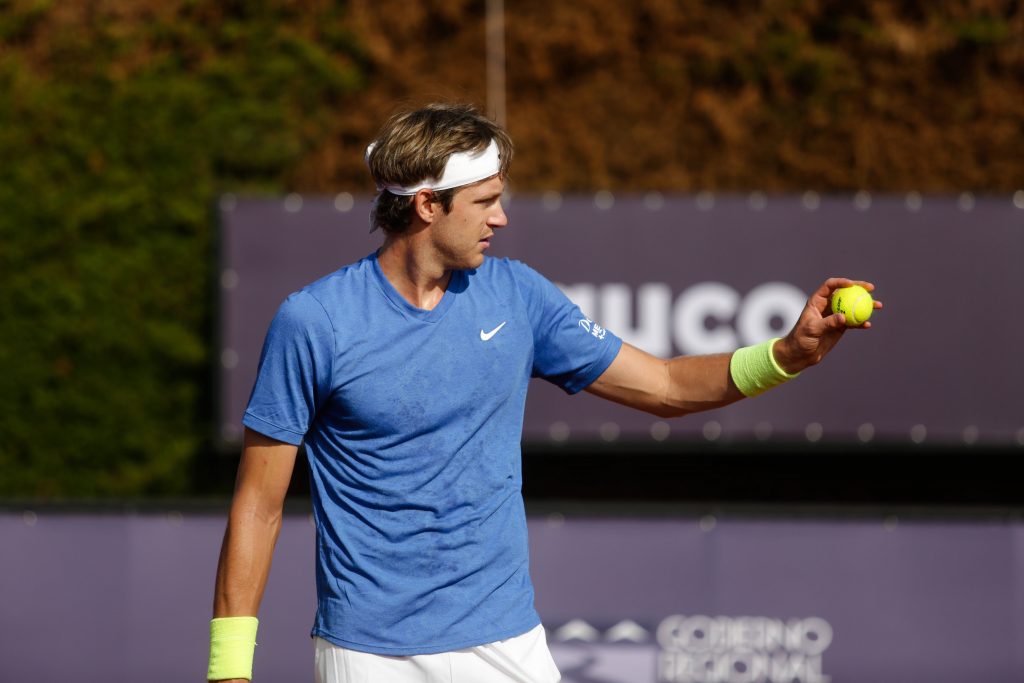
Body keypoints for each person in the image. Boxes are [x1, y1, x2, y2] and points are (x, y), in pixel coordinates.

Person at [208, 102, 881, 683]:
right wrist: (229, 667)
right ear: (425, 204)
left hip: (507, 640)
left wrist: (787, 355)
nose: (500, 218)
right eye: (484, 201)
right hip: (368, 650)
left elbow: (669, 386)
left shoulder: (519, 294)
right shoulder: (314, 321)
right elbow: (259, 505)